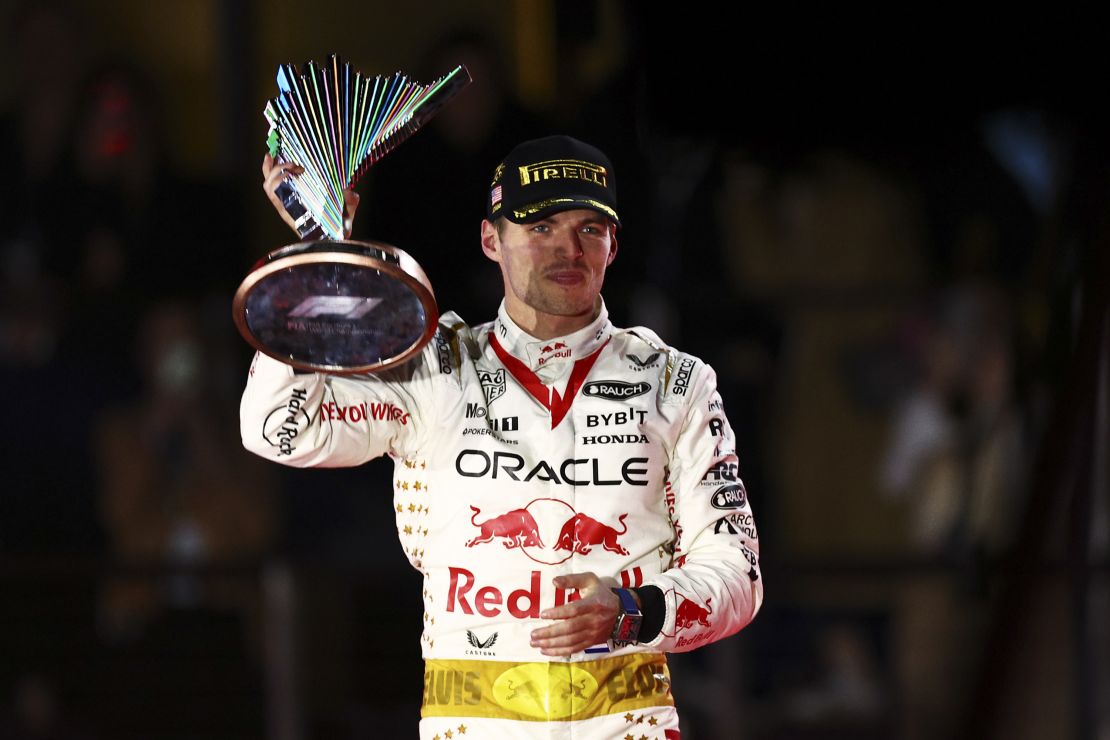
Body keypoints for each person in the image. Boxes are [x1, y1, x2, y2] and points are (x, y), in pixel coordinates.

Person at [244, 135, 763, 738]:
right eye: (540, 227)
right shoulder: (435, 367)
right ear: (492, 240)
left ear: (614, 245)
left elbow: (738, 576)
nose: (568, 249)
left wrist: (629, 612)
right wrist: (316, 262)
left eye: (590, 229)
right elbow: (278, 430)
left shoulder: (676, 382)